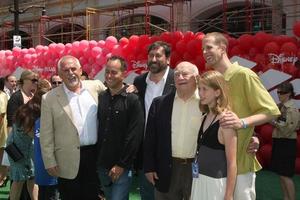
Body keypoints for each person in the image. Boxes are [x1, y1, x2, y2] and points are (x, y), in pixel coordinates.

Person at [202, 32, 281, 199]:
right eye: (203, 49)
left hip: (239, 165)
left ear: (222, 48)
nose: (204, 52)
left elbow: (271, 110)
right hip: (214, 168)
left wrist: (243, 123)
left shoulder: (244, 74)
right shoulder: (212, 81)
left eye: (208, 47)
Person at [40, 55, 106, 200]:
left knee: (93, 196)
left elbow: (115, 92)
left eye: (73, 69)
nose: (70, 73)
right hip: (66, 159)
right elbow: (46, 133)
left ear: (80, 70)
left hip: (94, 156)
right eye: (65, 70)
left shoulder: (95, 87)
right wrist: (49, 161)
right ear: (60, 75)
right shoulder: (49, 98)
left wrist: (131, 88)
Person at [144, 61, 202, 200]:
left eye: (185, 74)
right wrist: (149, 167)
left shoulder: (206, 104)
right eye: (177, 75)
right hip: (166, 167)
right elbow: (150, 138)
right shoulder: (160, 103)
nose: (180, 77)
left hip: (197, 168)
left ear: (196, 77)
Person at [97, 56, 144, 200]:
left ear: (124, 74)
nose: (109, 75)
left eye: (114, 72)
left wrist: (121, 164)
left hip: (121, 167)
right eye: (107, 72)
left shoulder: (132, 99)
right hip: (102, 165)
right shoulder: (102, 97)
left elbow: (134, 136)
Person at [133, 41, 175, 200]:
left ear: (168, 59)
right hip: (147, 150)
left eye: (158, 55)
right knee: (148, 194)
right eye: (151, 55)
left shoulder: (178, 79)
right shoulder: (139, 82)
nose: (154, 59)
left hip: (172, 151)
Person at [191, 71, 237, 200]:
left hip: (215, 184)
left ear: (217, 92)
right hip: (198, 179)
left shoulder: (226, 121)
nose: (200, 93)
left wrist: (229, 195)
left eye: (205, 89)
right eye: (199, 89)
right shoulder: (204, 117)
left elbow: (232, 162)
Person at [7, 81, 43, 200]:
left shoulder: (27, 109)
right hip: (19, 151)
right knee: (19, 181)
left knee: (32, 179)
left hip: (24, 150)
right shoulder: (29, 113)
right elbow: (33, 134)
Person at [270, 82, 300, 200]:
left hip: (286, 143)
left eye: (281, 93)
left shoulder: (291, 109)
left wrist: (272, 122)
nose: (278, 95)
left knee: (286, 176)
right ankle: (286, 198)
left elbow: (287, 130)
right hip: (281, 142)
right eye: (277, 92)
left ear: (288, 94)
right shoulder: (282, 107)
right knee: (282, 175)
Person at [33, 79, 61, 200]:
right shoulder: (43, 120)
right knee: (50, 195)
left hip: (46, 167)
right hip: (49, 167)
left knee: (46, 194)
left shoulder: (40, 119)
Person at [0, 77, 8, 187]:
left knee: (1, 155)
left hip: (1, 131)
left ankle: (2, 178)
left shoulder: (1, 96)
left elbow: (1, 115)